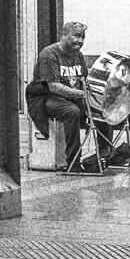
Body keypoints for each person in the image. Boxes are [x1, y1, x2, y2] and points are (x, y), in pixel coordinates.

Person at [33, 22, 95, 169]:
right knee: (72, 111)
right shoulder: (49, 54)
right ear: (64, 35)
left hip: (69, 97)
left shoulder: (78, 55)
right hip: (45, 98)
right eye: (76, 36)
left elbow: (84, 80)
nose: (80, 41)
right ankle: (73, 162)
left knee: (102, 107)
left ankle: (105, 152)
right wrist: (82, 94)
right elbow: (53, 86)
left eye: (83, 37)